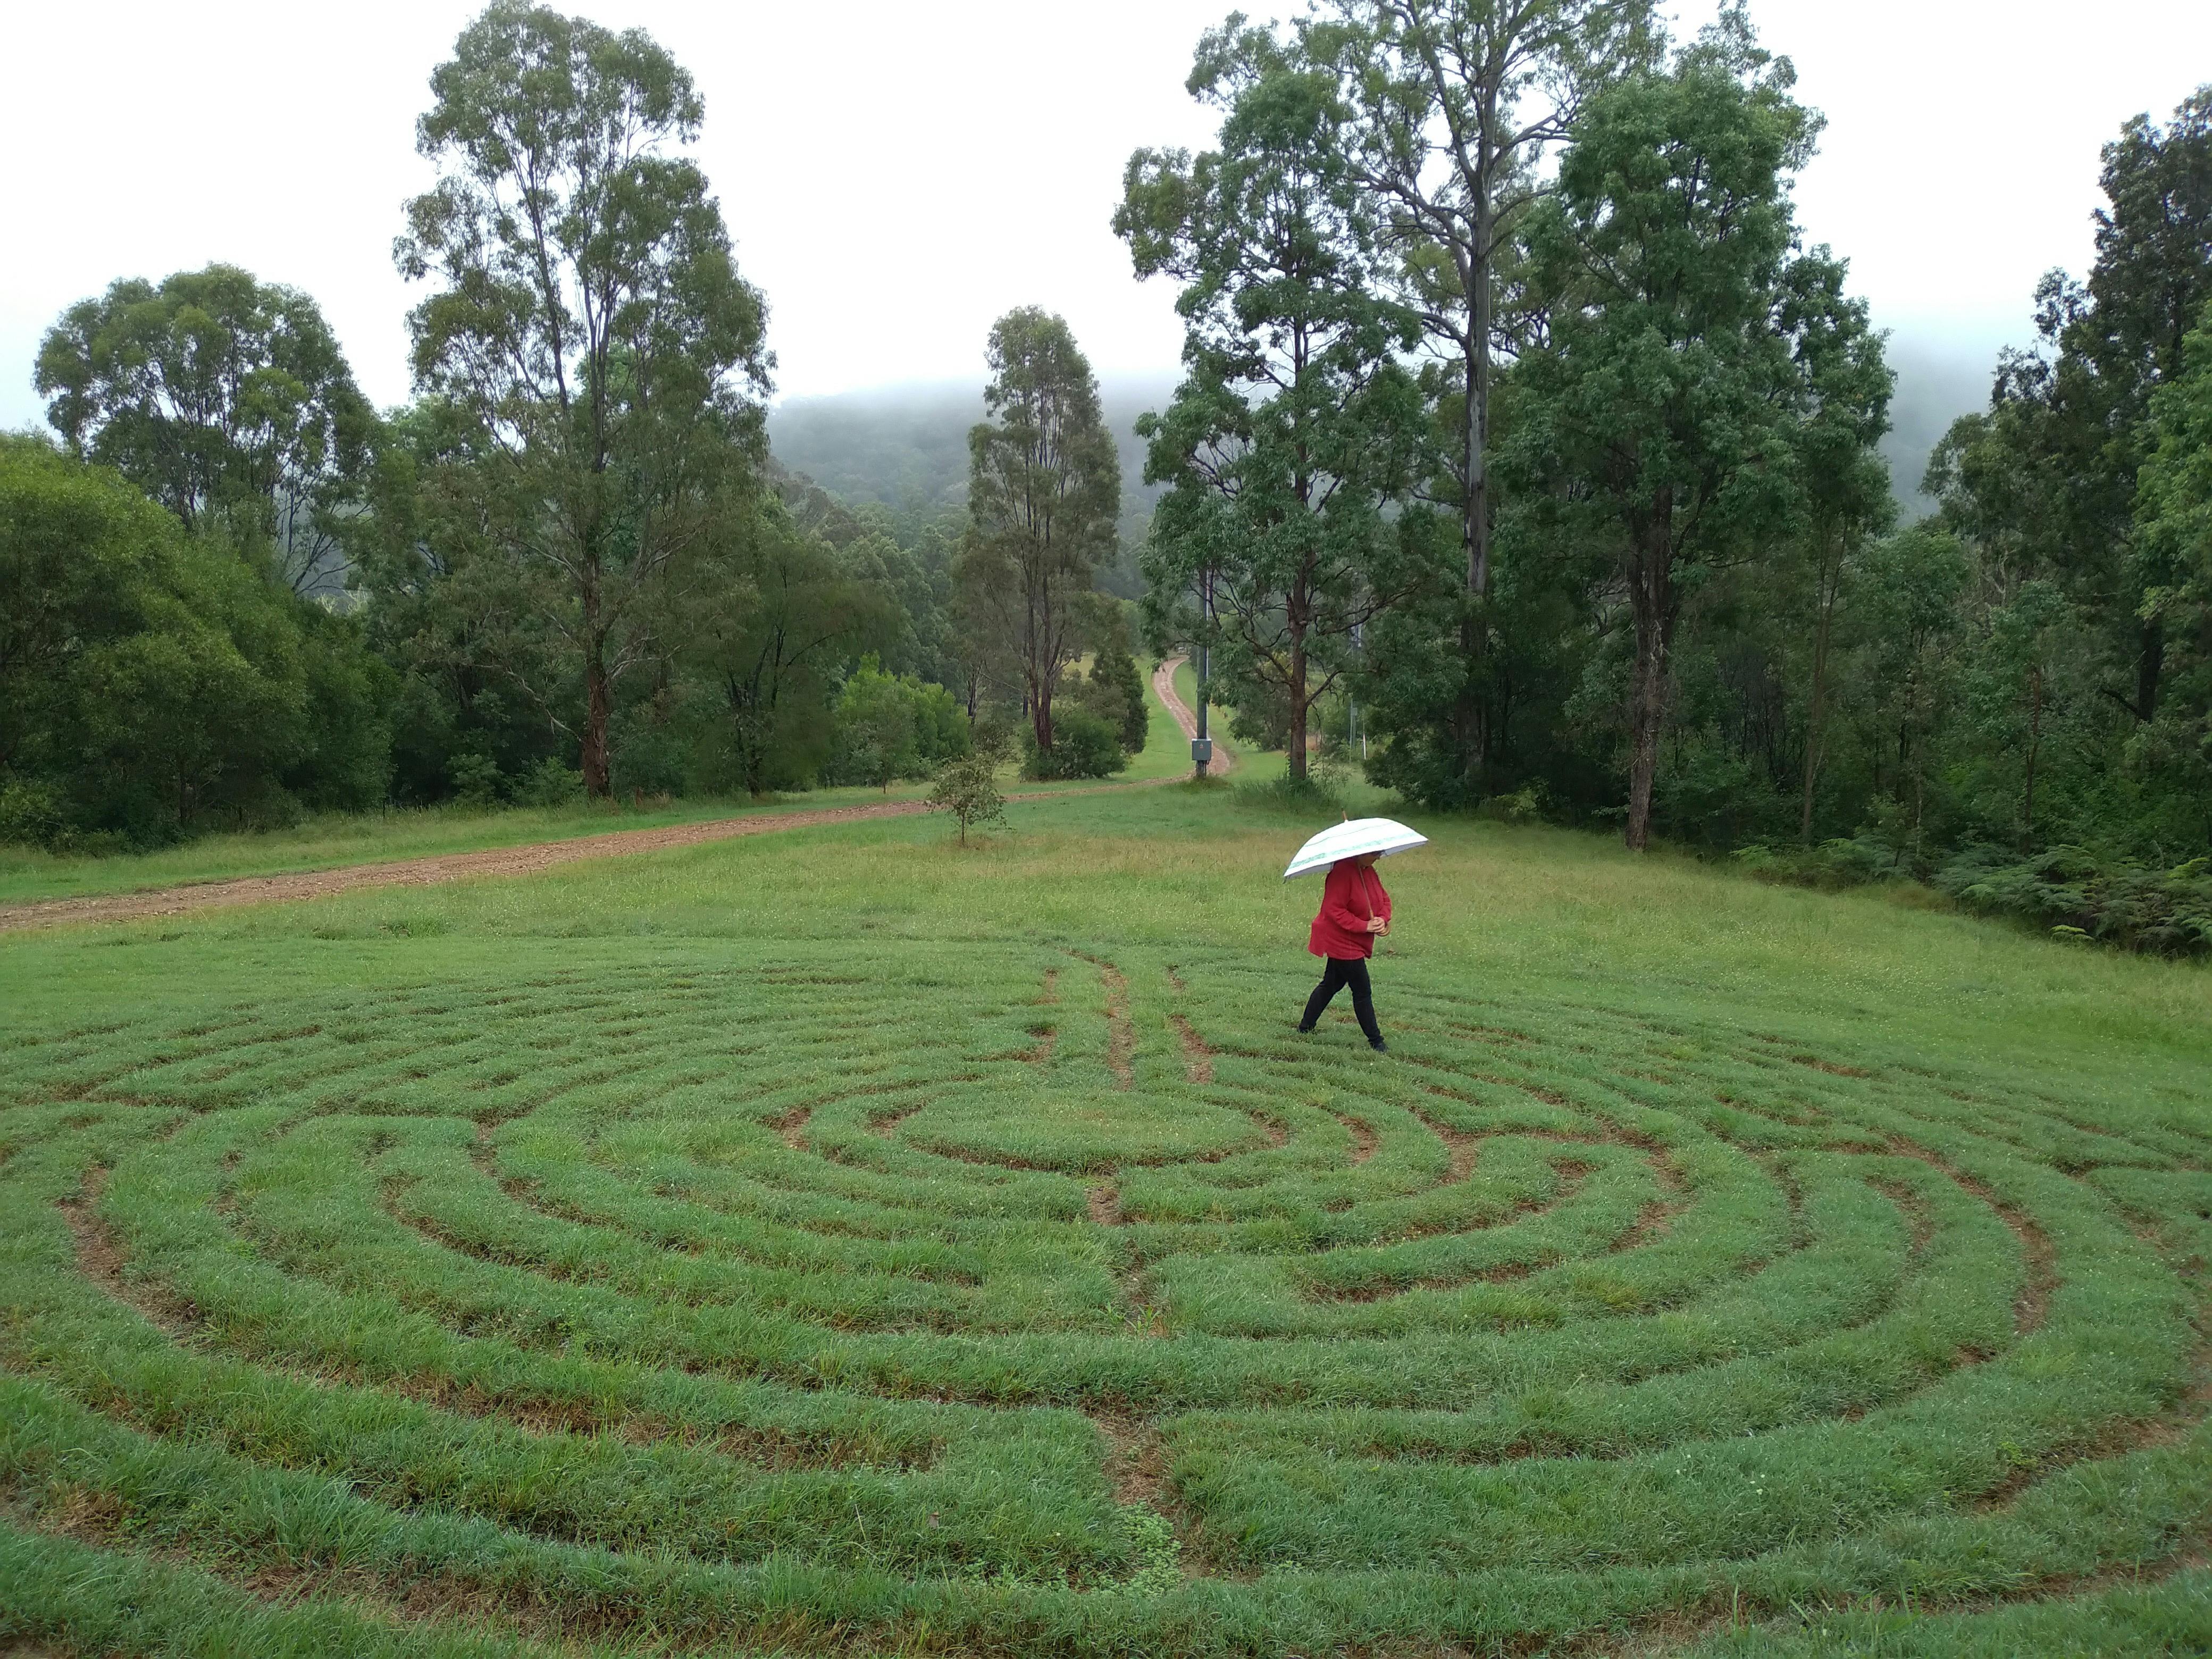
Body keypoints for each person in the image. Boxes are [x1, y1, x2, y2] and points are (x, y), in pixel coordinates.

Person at [1297, 851, 1391, 1051]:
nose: (1379, 857)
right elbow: (1334, 910)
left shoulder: (1369, 871)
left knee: (1331, 984)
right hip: (1340, 940)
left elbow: (1384, 900)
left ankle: (1305, 1027)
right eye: (1374, 853)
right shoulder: (1342, 872)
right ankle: (1377, 1041)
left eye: (1380, 852)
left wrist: (1382, 919)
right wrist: (1363, 926)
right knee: (1362, 990)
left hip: (1355, 940)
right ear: (1361, 852)